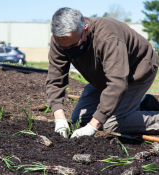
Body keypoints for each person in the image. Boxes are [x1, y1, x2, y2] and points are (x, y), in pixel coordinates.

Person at [46, 7, 159, 138]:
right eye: (62, 46)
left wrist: (92, 126)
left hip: (137, 71)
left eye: (73, 45)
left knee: (111, 124)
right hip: (104, 76)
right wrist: (59, 118)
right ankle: (139, 107)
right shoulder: (59, 41)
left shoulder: (107, 37)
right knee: (79, 118)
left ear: (85, 31)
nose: (68, 50)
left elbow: (117, 84)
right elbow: (55, 79)